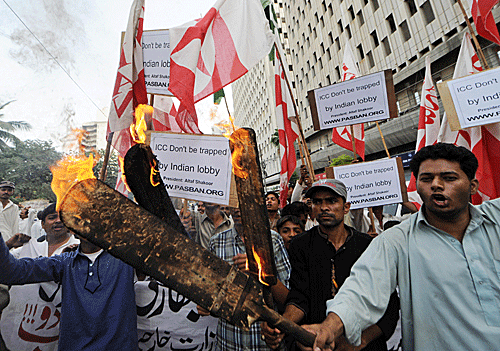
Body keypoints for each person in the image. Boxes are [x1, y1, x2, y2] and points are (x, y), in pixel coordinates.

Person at [308, 143, 500, 351]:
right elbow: (361, 290)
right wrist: (330, 327)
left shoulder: (496, 219)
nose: (436, 185)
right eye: (426, 179)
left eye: (449, 178)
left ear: (473, 186)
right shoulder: (396, 240)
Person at [263, 179, 399, 351]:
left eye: (332, 201)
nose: (324, 207)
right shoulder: (301, 245)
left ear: (346, 207)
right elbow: (300, 296)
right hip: (317, 343)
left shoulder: (368, 246)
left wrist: (359, 342)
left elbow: (389, 305)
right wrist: (282, 325)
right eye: (317, 202)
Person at [0, 208, 138, 350]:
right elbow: (11, 272)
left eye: (93, 219)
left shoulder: (126, 258)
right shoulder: (64, 262)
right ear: (72, 229)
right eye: (79, 220)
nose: (86, 224)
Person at [202, 206, 291, 351]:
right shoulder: (216, 242)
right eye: (233, 202)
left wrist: (260, 270)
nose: (237, 209)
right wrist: (205, 302)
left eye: (241, 202)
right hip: (229, 342)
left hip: (264, 344)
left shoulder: (273, 240)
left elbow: (287, 299)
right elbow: (211, 292)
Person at [0, 203, 80, 351]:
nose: (58, 221)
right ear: (42, 224)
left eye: (63, 217)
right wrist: (9, 244)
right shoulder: (30, 247)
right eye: (52, 218)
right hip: (22, 324)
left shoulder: (78, 249)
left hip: (59, 327)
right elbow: (5, 268)